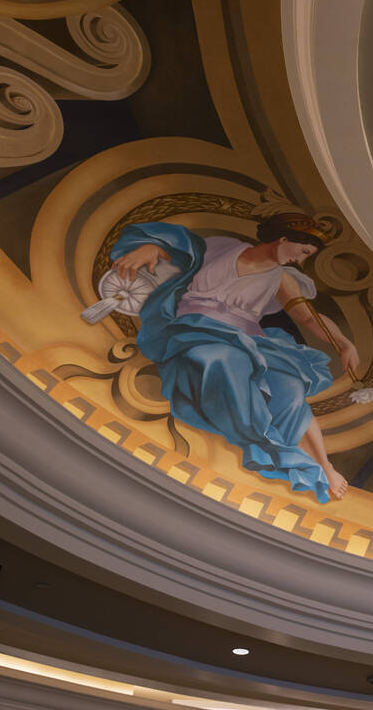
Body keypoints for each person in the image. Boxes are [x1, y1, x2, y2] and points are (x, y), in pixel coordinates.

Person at [110, 214, 359, 503]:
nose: (301, 260)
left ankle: (321, 463)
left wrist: (343, 343)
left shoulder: (282, 278)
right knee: (221, 360)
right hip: (197, 327)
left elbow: (308, 317)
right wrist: (154, 249)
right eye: (303, 252)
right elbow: (184, 251)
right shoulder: (224, 248)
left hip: (247, 337)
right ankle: (268, 445)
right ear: (285, 239)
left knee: (290, 386)